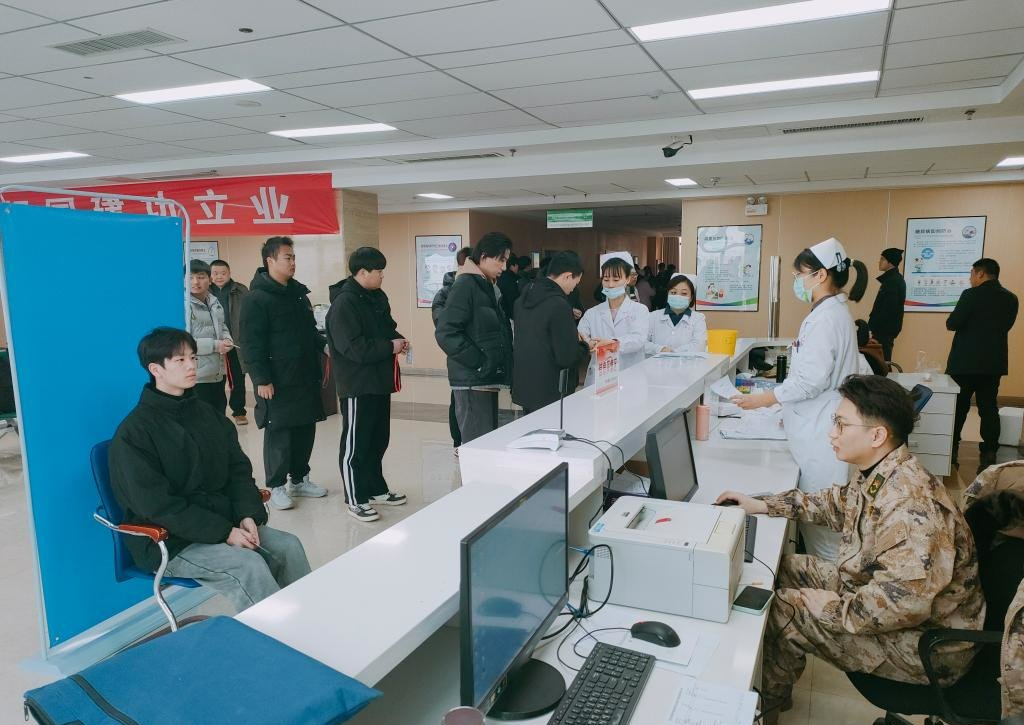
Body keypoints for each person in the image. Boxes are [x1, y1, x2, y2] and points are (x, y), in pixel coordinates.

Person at [717, 375, 984, 724]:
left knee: (787, 610)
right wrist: (764, 504)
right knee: (784, 568)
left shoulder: (911, 507)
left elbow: (904, 605)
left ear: (877, 436)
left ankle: (764, 711)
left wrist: (833, 609)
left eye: (842, 425)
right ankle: (775, 680)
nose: (832, 433)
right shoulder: (883, 470)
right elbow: (838, 504)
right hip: (890, 602)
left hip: (929, 646)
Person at [109, 327, 311, 612]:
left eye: (193, 357)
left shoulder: (208, 415)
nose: (192, 365)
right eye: (180, 360)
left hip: (224, 521)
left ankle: (307, 621)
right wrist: (224, 532)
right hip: (172, 540)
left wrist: (247, 514)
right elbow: (157, 506)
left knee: (289, 546)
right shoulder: (134, 434)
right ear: (156, 369)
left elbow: (238, 471)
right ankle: (272, 636)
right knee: (248, 565)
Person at [732, 237, 867, 560]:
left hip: (821, 433)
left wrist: (765, 399)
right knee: (817, 521)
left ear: (820, 275)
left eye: (799, 274)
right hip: (819, 424)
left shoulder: (826, 318)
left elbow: (810, 381)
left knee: (822, 530)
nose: (797, 281)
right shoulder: (832, 313)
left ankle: (830, 583)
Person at [241, 237, 327, 511]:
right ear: (270, 261)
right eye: (287, 257)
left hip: (304, 375)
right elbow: (251, 344)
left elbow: (310, 332)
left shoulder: (299, 294)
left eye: (293, 257)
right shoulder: (256, 299)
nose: (292, 262)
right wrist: (261, 379)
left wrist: (325, 346)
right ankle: (276, 486)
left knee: (305, 429)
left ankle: (299, 480)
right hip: (276, 380)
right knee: (279, 432)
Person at [326, 247, 408, 523]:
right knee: (356, 444)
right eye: (379, 271)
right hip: (357, 384)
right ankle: (355, 498)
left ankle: (375, 488)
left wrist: (399, 340)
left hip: (379, 381)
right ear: (362, 272)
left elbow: (387, 328)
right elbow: (353, 348)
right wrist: (389, 346)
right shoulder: (344, 304)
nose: (382, 276)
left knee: (377, 439)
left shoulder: (376, 296)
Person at [435, 232, 514, 443]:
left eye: (506, 261)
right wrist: (480, 364)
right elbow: (446, 332)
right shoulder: (466, 285)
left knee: (485, 444)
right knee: (477, 445)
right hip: (472, 380)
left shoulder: (486, 285)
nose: (504, 266)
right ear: (484, 257)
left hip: (484, 380)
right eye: (501, 260)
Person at [947, 257, 1019, 472]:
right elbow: (1006, 326)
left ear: (981, 273)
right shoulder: (1011, 298)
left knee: (959, 408)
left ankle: (952, 451)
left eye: (971, 274)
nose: (970, 279)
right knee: (988, 408)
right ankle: (989, 454)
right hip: (993, 363)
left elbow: (953, 323)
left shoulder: (970, 295)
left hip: (965, 363)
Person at [512, 251, 590, 414]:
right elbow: (566, 356)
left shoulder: (522, 300)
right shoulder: (559, 305)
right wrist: (584, 345)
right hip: (552, 390)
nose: (574, 288)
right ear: (568, 276)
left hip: (526, 386)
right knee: (552, 430)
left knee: (532, 428)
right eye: (576, 283)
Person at [578, 252, 650, 384]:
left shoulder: (640, 310)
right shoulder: (592, 313)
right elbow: (581, 334)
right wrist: (588, 343)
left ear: (627, 279)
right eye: (606, 279)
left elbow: (638, 339)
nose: (610, 284)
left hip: (629, 376)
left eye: (616, 280)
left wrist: (611, 343)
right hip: (599, 377)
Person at [432, 246, 472, 452]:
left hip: (476, 359)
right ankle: (458, 441)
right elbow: (443, 327)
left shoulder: (482, 287)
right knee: (458, 399)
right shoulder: (445, 293)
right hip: (460, 356)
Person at [188, 259, 233, 414]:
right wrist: (215, 345)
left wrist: (227, 340)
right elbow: (184, 343)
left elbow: (222, 326)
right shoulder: (183, 305)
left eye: (201, 277)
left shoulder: (214, 301)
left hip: (217, 372)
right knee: (202, 419)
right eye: (190, 277)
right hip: (197, 376)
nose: (195, 282)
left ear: (210, 279)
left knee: (218, 414)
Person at [210, 259, 250, 425]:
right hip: (213, 343)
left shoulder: (241, 290)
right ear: (210, 275)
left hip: (235, 342)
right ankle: (217, 412)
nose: (219, 276)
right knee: (216, 378)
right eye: (215, 273)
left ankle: (239, 411)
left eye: (223, 273)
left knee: (238, 378)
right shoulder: (205, 291)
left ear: (229, 273)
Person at [646, 273, 707, 355]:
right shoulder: (653, 316)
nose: (678, 296)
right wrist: (660, 349)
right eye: (673, 292)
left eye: (684, 293)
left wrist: (673, 352)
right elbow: (642, 342)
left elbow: (699, 346)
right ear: (668, 294)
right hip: (657, 363)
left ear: (691, 297)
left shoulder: (698, 318)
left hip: (687, 363)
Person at [867, 247, 906, 362]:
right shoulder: (893, 279)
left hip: (883, 332)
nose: (879, 261)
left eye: (883, 259)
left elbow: (888, 310)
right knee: (881, 362)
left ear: (891, 262)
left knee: (881, 363)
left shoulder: (892, 281)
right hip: (884, 331)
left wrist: (873, 328)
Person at [497, 253, 521, 321]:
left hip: (500, 314)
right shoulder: (511, 279)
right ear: (513, 265)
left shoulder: (499, 276)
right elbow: (512, 299)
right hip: (508, 316)